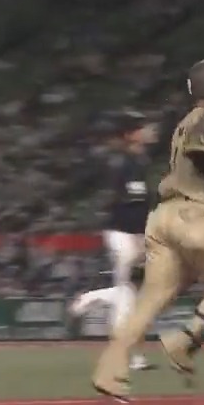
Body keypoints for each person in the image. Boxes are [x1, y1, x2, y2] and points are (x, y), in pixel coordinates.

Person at [91, 59, 204, 402]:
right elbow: (199, 150)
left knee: (149, 301)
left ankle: (110, 371)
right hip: (193, 214)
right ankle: (183, 341)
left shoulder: (185, 120)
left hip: (162, 216)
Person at [70, 111, 154, 371]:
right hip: (123, 233)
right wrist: (139, 238)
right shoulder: (125, 163)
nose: (149, 131)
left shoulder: (138, 161)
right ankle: (127, 356)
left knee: (132, 293)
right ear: (131, 135)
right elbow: (129, 205)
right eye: (142, 128)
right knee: (128, 293)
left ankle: (91, 299)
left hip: (132, 232)